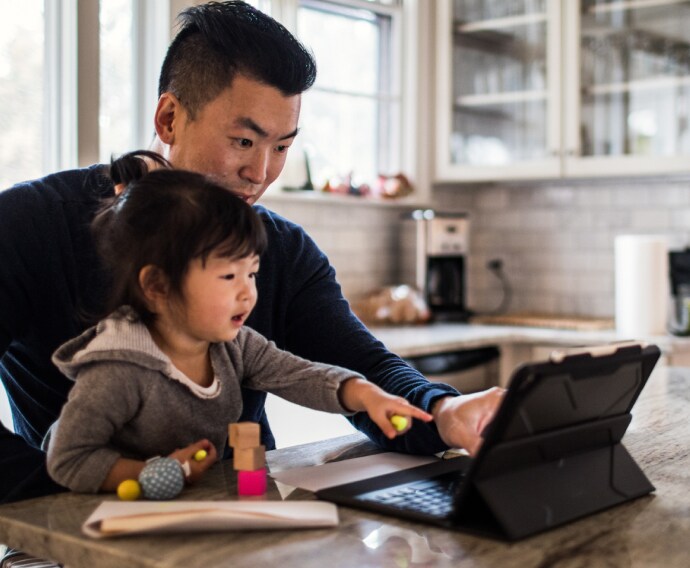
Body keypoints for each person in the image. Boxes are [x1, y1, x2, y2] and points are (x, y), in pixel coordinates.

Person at [0, 0, 504, 505]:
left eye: (282, 147)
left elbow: (365, 371)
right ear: (170, 118)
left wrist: (443, 412)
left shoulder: (284, 252)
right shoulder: (29, 225)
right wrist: (69, 498)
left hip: (245, 525)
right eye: (244, 140)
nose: (260, 173)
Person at [44, 151, 431, 494]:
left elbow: (301, 376)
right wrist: (153, 474)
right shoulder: (119, 369)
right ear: (157, 285)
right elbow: (68, 459)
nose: (248, 293)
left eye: (253, 274)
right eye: (229, 277)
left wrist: (364, 395)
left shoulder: (234, 346)